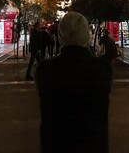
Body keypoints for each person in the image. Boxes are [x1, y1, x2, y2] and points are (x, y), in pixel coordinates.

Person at [35, 12, 113, 153]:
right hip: (93, 146)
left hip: (56, 146)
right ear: (86, 35)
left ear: (60, 36)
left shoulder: (45, 70)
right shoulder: (102, 68)